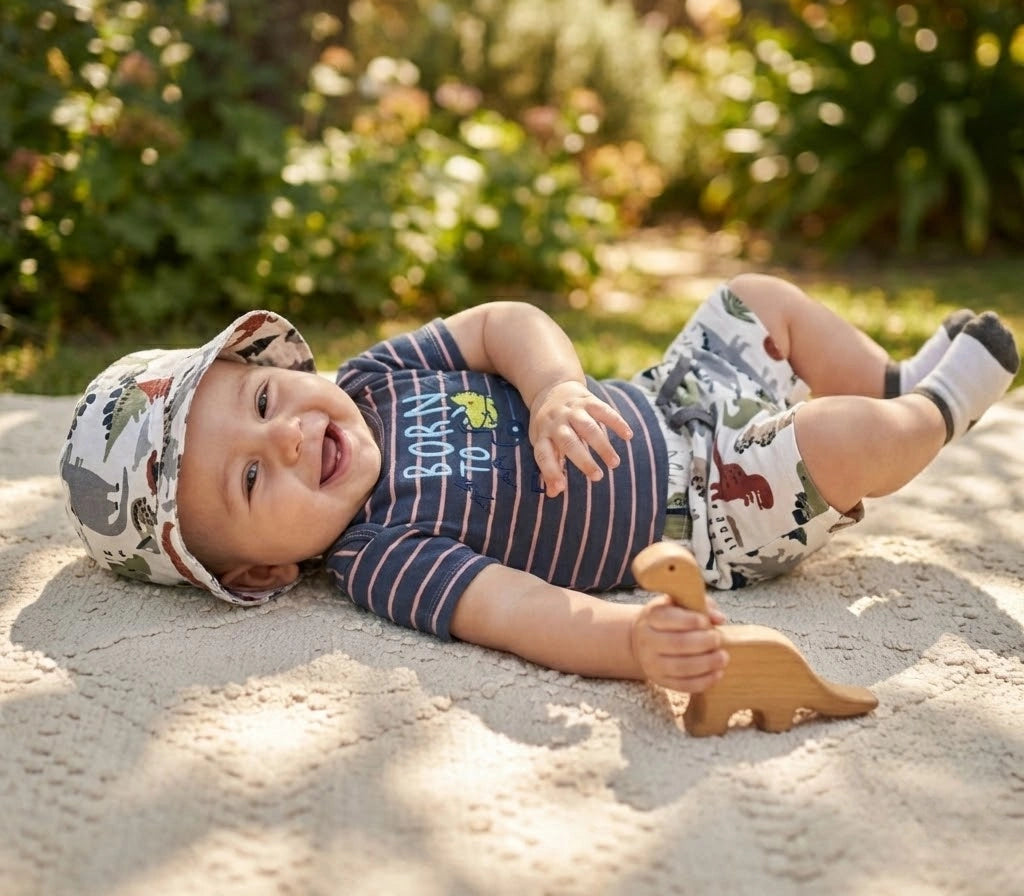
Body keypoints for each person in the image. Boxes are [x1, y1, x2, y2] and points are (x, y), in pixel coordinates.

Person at [59, 274, 1019, 695]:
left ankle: (891, 376)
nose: (294, 437)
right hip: (713, 506)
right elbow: (524, 611)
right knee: (836, 439)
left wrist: (556, 385)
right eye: (254, 477)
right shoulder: (380, 557)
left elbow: (499, 323)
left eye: (267, 396)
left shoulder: (372, 380)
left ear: (283, 360)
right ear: (264, 575)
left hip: (662, 398)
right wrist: (631, 643)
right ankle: (938, 411)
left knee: (756, 301)